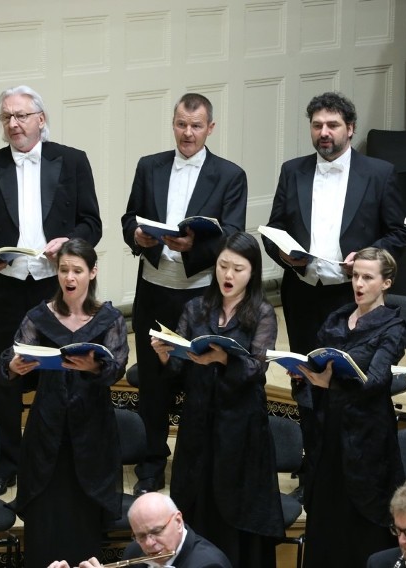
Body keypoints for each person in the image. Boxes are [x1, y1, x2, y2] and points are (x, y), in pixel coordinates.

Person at [0, 85, 102, 496]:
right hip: (5, 285)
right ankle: (7, 463)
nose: (13, 124)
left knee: (57, 375)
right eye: (6, 117)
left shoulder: (72, 161)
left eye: (21, 115)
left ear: (41, 119)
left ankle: (54, 458)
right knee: (5, 378)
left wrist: (68, 244)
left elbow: (91, 223)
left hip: (56, 286)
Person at [122, 92, 248, 495]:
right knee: (154, 384)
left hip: (200, 296)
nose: (187, 133)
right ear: (173, 123)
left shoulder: (230, 175)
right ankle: (151, 465)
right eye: (181, 124)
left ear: (210, 128)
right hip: (154, 290)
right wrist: (139, 236)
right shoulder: (150, 166)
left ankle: (194, 463)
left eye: (196, 126)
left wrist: (194, 246)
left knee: (199, 379)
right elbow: (129, 217)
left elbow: (232, 234)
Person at [151, 232, 283, 567]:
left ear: (252, 272)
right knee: (198, 499)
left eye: (238, 269)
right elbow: (180, 369)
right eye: (223, 266)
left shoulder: (262, 313)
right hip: (198, 422)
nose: (228, 275)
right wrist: (167, 356)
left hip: (241, 427)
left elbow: (256, 369)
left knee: (236, 506)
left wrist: (224, 360)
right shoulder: (196, 308)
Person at [0, 238, 128, 568]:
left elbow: (117, 368)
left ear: (92, 272)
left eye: (77, 271)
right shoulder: (39, 316)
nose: (69, 278)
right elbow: (12, 358)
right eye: (64, 270)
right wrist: (13, 367)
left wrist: (95, 367)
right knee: (46, 519)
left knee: (83, 521)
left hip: (92, 432)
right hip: (48, 430)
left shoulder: (109, 319)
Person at [262, 91, 406, 356]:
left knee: (346, 375)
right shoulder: (292, 171)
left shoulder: (380, 173)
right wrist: (283, 256)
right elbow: (274, 229)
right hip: (301, 291)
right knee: (304, 373)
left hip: (352, 293)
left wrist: (366, 260)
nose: (324, 132)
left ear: (350, 129)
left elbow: (398, 234)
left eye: (333, 125)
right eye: (317, 126)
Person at [290, 247, 406, 568]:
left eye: (368, 277)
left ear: (386, 283)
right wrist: (304, 375)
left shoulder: (392, 326)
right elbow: (317, 360)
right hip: (327, 432)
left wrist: (332, 384)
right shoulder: (338, 318)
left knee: (361, 521)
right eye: (355, 276)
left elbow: (378, 380)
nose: (359, 283)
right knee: (326, 514)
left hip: (366, 437)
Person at [47, 492, 232, 568]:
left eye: (157, 531)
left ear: (178, 521)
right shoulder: (134, 551)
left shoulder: (209, 564)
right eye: (141, 536)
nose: (149, 543)